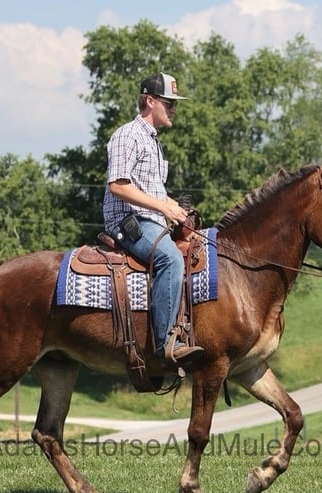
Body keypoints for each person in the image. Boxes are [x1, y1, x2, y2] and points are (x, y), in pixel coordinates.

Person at [102, 72, 205, 367]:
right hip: (127, 223)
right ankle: (165, 343)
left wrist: (174, 209)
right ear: (150, 101)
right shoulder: (127, 135)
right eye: (169, 103)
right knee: (170, 259)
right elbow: (118, 186)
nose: (174, 109)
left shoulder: (152, 141)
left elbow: (151, 190)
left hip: (150, 220)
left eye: (174, 104)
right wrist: (163, 207)